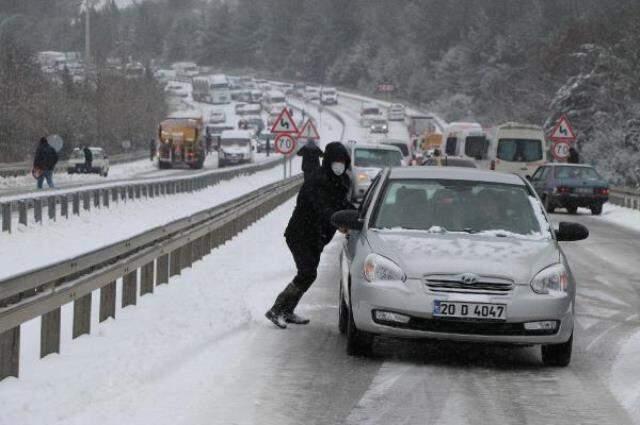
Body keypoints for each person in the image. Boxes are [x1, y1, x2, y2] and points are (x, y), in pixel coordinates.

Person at [266, 142, 354, 328]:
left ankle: (287, 310)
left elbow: (341, 204)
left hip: (317, 236)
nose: (339, 166)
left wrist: (357, 214)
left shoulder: (342, 181)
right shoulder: (316, 181)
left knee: (308, 274)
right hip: (300, 233)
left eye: (342, 162)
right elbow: (322, 207)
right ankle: (276, 310)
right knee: (307, 273)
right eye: (335, 162)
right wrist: (337, 221)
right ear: (328, 161)